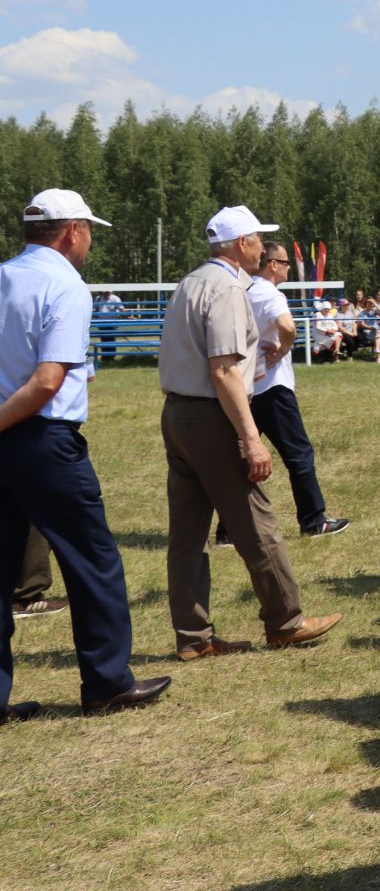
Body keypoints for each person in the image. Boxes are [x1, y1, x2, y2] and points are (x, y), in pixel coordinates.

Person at [2, 190, 171, 720]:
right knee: (92, 560)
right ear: (72, 231)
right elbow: (48, 380)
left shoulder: (4, 276)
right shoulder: (66, 286)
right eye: (90, 231)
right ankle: (106, 682)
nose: (90, 241)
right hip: (43, 440)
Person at [160, 205, 340, 660]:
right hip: (210, 416)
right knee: (257, 524)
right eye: (259, 238)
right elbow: (223, 371)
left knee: (187, 535)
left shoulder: (191, 282)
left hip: (178, 413)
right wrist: (250, 436)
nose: (263, 247)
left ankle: (193, 637)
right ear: (242, 244)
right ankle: (285, 621)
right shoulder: (226, 290)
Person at [235, 241, 348, 539]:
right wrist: (284, 348)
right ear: (272, 264)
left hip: (245, 387)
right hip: (273, 386)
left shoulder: (242, 291)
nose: (287, 269)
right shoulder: (270, 292)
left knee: (242, 458)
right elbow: (288, 327)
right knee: (299, 454)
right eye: (285, 264)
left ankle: (228, 530)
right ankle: (314, 520)